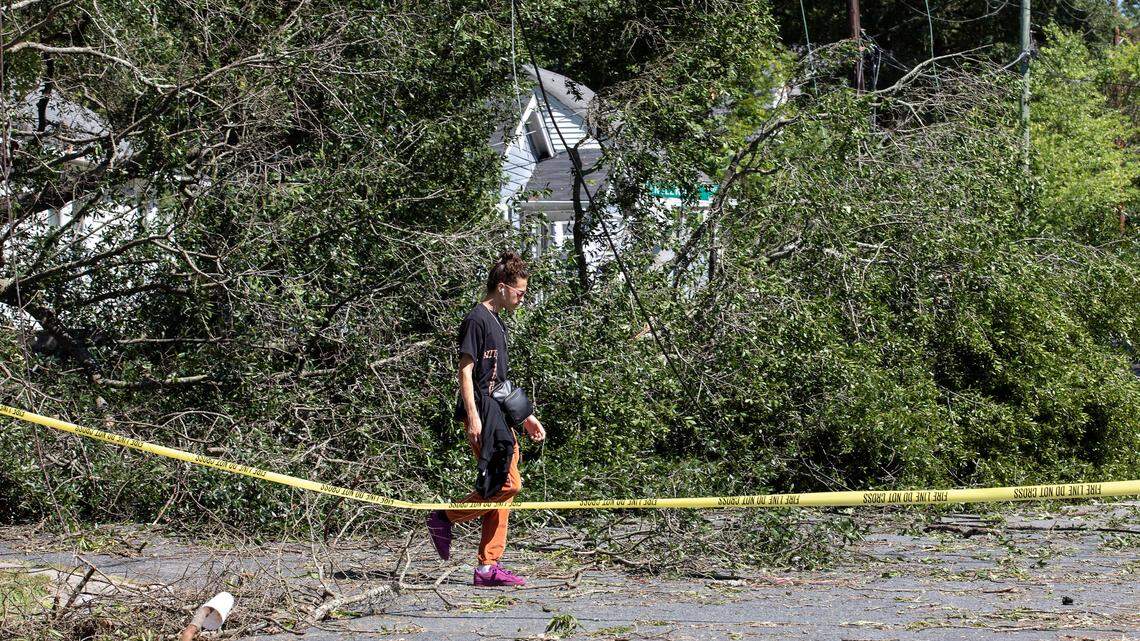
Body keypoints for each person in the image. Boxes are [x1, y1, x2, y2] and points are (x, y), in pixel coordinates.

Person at [426, 251, 546, 587]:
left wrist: (526, 416)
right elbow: (466, 373)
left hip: (500, 413)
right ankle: (443, 517)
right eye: (520, 292)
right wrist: (473, 417)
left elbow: (499, 381)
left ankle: (487, 568)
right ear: (503, 286)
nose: (522, 298)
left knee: (502, 489)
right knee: (508, 485)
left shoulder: (499, 323)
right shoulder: (476, 319)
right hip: (483, 413)